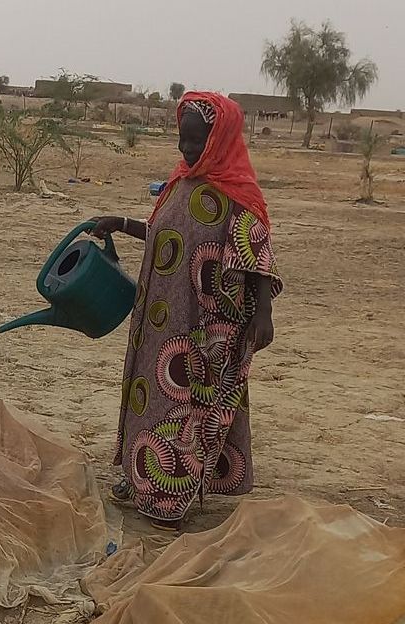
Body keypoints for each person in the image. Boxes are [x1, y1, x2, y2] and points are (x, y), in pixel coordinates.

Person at [91, 92, 283, 530]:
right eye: (183, 139)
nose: (186, 149)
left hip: (207, 326)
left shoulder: (237, 193)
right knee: (152, 397)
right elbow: (163, 235)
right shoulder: (181, 184)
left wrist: (263, 315)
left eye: (196, 141)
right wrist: (121, 224)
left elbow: (257, 256)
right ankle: (142, 478)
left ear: (220, 138)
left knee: (191, 406)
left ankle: (169, 498)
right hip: (161, 320)